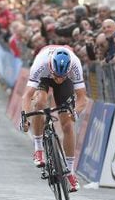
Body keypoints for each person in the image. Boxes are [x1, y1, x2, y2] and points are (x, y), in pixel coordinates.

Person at [21, 46, 88, 192]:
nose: (58, 79)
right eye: (56, 75)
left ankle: (70, 171)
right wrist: (24, 117)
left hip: (66, 82)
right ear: (51, 67)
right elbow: (27, 95)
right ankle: (38, 148)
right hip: (44, 78)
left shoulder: (75, 65)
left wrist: (75, 112)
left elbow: (83, 98)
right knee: (40, 103)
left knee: (68, 125)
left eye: (62, 76)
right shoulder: (41, 64)